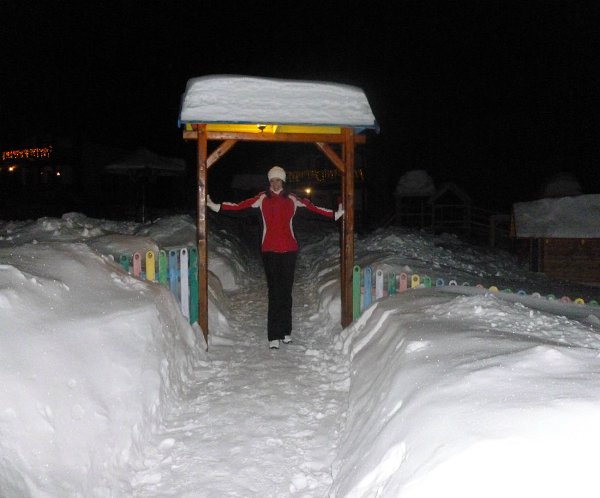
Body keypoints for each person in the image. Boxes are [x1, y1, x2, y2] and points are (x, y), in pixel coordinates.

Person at [207, 166, 343, 349]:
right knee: (274, 292)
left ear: (283, 181)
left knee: (285, 292)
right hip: (269, 251)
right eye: (272, 180)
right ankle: (274, 335)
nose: (275, 183)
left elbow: (314, 209)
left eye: (278, 180)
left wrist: (334, 215)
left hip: (289, 251)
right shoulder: (262, 198)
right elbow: (239, 207)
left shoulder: (293, 199)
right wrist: (217, 207)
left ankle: (286, 331)